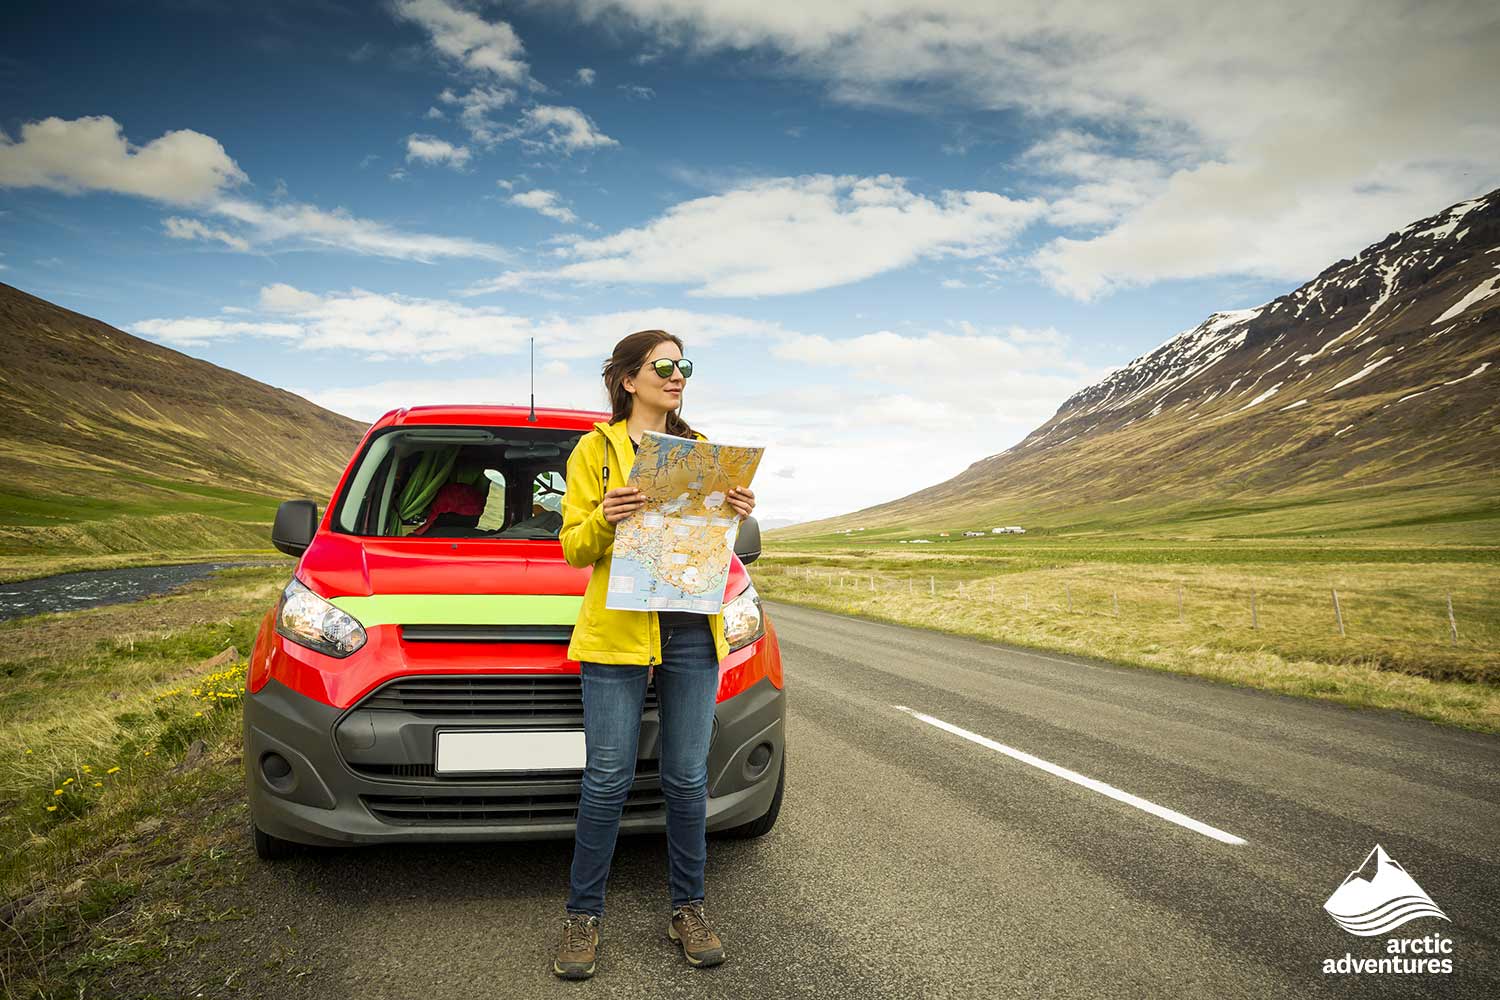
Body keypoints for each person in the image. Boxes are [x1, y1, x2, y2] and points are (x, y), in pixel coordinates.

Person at [552, 329, 755, 980]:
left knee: (686, 779)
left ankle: (687, 910)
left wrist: (736, 513)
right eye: (663, 365)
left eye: (682, 365)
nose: (677, 375)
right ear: (628, 380)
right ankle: (583, 920)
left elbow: (710, 550)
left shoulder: (698, 452)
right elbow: (574, 549)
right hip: (616, 631)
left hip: (691, 630)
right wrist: (604, 518)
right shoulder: (596, 451)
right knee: (608, 779)